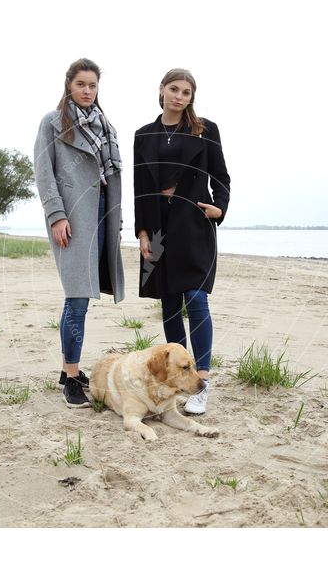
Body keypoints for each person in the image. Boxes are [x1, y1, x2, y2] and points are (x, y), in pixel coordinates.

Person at [133, 68, 231, 415]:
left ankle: (201, 380)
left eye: (186, 92)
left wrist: (219, 208)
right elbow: (140, 188)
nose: (179, 96)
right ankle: (178, 380)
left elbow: (221, 176)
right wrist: (142, 233)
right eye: (174, 89)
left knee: (196, 298)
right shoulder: (143, 135)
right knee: (170, 304)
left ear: (192, 97)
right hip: (158, 228)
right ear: (161, 90)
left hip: (194, 225)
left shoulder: (205, 130)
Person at [34, 58, 125, 408]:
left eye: (93, 86)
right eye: (81, 84)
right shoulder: (53, 123)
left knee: (84, 295)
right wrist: (57, 214)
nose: (87, 91)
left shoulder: (106, 126)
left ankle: (66, 369)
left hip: (102, 215)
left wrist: (116, 223)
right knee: (77, 297)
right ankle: (71, 377)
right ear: (68, 85)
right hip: (72, 218)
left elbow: (111, 179)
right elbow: (44, 173)